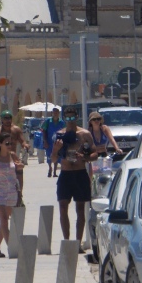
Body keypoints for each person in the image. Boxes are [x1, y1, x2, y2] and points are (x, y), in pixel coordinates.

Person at [50, 105, 97, 252]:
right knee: (63, 207)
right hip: (65, 174)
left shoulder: (85, 134)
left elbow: (95, 154)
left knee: (80, 209)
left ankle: (77, 243)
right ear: (64, 118)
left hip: (80, 172)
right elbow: (53, 159)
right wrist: (56, 150)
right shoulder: (59, 135)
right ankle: (67, 241)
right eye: (67, 118)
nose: (70, 120)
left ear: (77, 117)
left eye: (72, 117)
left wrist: (85, 157)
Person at [0, 111, 28, 204]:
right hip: (1, 157)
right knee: (0, 179)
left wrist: (25, 145)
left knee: (19, 171)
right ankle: (1, 197)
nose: (8, 120)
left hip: (12, 156)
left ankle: (19, 194)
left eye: (9, 118)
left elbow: (22, 140)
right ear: (2, 119)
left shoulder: (16, 130)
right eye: (5, 118)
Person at [41, 108, 65, 177]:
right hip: (49, 142)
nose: (55, 114)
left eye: (57, 112)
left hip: (57, 142)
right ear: (52, 113)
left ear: (59, 113)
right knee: (49, 156)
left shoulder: (61, 122)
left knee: (57, 155)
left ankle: (54, 172)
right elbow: (44, 131)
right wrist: (45, 141)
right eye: (54, 112)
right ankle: (50, 168)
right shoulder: (48, 121)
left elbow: (65, 130)